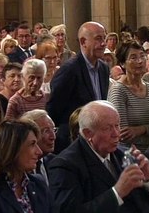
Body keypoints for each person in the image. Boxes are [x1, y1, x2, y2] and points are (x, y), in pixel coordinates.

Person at [47, 21, 110, 150]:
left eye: (104, 38)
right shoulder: (69, 70)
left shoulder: (103, 68)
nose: (103, 43)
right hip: (73, 141)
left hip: (96, 139)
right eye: (98, 39)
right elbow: (54, 109)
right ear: (83, 42)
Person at [107, 43, 149, 150]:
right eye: (133, 58)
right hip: (130, 153)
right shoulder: (119, 90)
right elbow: (123, 134)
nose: (140, 61)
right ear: (123, 63)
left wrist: (141, 130)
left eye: (142, 56)